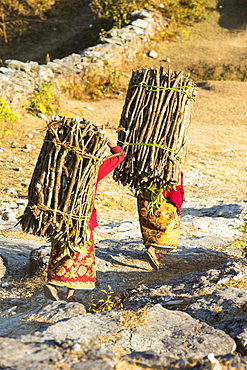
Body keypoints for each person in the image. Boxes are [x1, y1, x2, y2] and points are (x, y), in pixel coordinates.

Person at [43, 139, 125, 302]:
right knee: (79, 255)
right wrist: (109, 142)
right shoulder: (92, 170)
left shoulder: (57, 167)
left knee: (60, 251)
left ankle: (54, 285)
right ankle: (70, 296)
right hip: (83, 220)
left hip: (60, 218)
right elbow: (120, 156)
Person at [137, 173, 184, 270]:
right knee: (167, 222)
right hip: (163, 189)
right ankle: (153, 249)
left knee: (148, 219)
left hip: (145, 186)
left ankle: (155, 250)